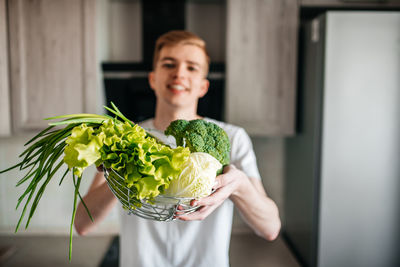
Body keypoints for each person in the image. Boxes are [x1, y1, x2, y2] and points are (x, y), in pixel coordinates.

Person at [74, 30, 281, 267]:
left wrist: (240, 185)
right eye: (169, 64)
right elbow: (82, 224)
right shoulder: (128, 138)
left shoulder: (233, 138)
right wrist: (122, 172)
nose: (179, 73)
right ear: (153, 79)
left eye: (191, 67)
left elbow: (270, 228)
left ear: (203, 87)